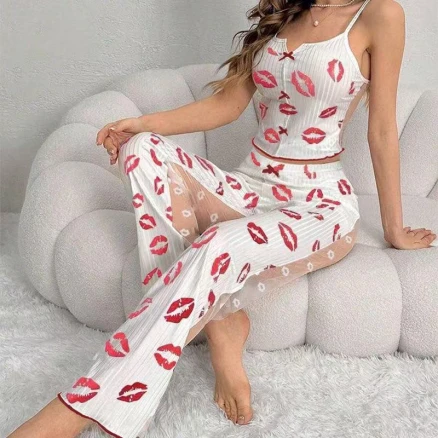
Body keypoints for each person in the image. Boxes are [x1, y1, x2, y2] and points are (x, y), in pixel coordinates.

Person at [9, 1, 436, 437]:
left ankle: (83, 404)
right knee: (142, 150)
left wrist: (394, 228)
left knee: (217, 243)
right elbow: (228, 104)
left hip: (318, 204)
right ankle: (220, 320)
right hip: (250, 184)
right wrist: (142, 123)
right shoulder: (287, 11)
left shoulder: (379, 14)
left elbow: (382, 129)